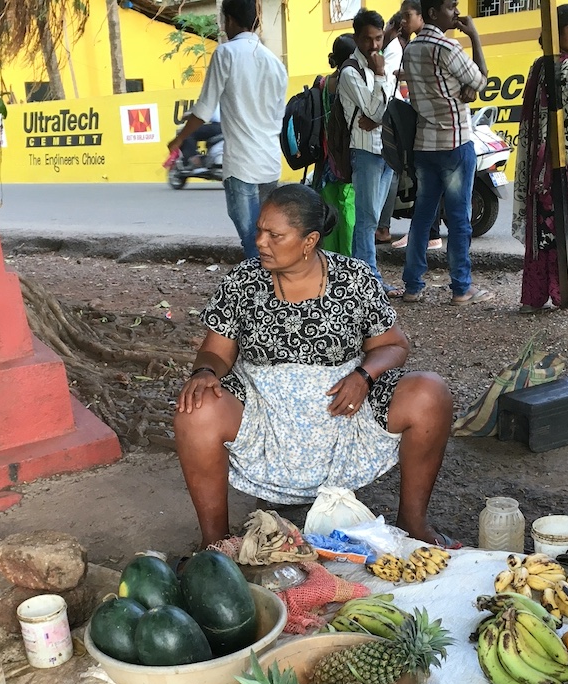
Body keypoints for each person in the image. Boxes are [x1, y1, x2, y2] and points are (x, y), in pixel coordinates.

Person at [173, 184, 458, 550]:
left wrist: (363, 377)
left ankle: (413, 522)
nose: (261, 241)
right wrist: (205, 373)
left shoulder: (353, 278)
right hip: (264, 411)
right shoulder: (243, 281)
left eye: (275, 235)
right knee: (194, 411)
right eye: (260, 231)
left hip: (345, 410)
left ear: (309, 241)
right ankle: (216, 543)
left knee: (430, 393)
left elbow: (393, 345)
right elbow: (216, 352)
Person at [166, 0, 288, 260]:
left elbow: (202, 110)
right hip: (269, 161)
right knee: (267, 235)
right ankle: (273, 289)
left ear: (228, 20)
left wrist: (178, 140)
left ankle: (262, 292)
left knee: (251, 238)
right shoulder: (275, 62)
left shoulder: (226, 53)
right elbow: (279, 116)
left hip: (242, 164)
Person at [400, 0, 492, 305]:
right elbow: (480, 79)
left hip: (424, 146)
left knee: (423, 217)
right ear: (432, 13)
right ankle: (461, 287)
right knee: (458, 218)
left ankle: (413, 285)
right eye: (450, 6)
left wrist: (463, 88)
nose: (456, 12)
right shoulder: (448, 47)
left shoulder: (411, 49)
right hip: (454, 143)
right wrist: (475, 37)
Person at [512, 3, 568, 312]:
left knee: (541, 230)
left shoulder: (539, 66)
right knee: (564, 229)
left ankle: (533, 298)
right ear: (557, 34)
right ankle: (567, 294)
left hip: (539, 166)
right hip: (566, 165)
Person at [337, 9, 399, 293]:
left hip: (385, 150)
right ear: (356, 38)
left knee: (372, 220)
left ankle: (362, 279)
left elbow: (387, 107)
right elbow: (376, 107)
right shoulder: (350, 72)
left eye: (377, 38)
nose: (373, 45)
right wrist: (380, 75)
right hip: (364, 152)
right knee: (367, 220)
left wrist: (376, 118)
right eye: (367, 40)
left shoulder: (380, 64)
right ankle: (368, 281)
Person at [376, 0, 423, 246]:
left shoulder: (394, 48)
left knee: (391, 170)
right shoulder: (402, 47)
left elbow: (387, 85)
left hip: (390, 117)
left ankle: (383, 227)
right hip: (398, 114)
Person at [316, 35, 359, 256]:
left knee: (330, 214)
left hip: (326, 159)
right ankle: (351, 262)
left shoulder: (325, 83)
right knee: (349, 212)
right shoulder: (349, 80)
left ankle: (331, 263)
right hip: (345, 160)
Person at [178, 107, 222, 172]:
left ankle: (194, 161)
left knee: (187, 132)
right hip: (232, 128)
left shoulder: (214, 100)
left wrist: (187, 115)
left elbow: (201, 113)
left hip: (219, 127)